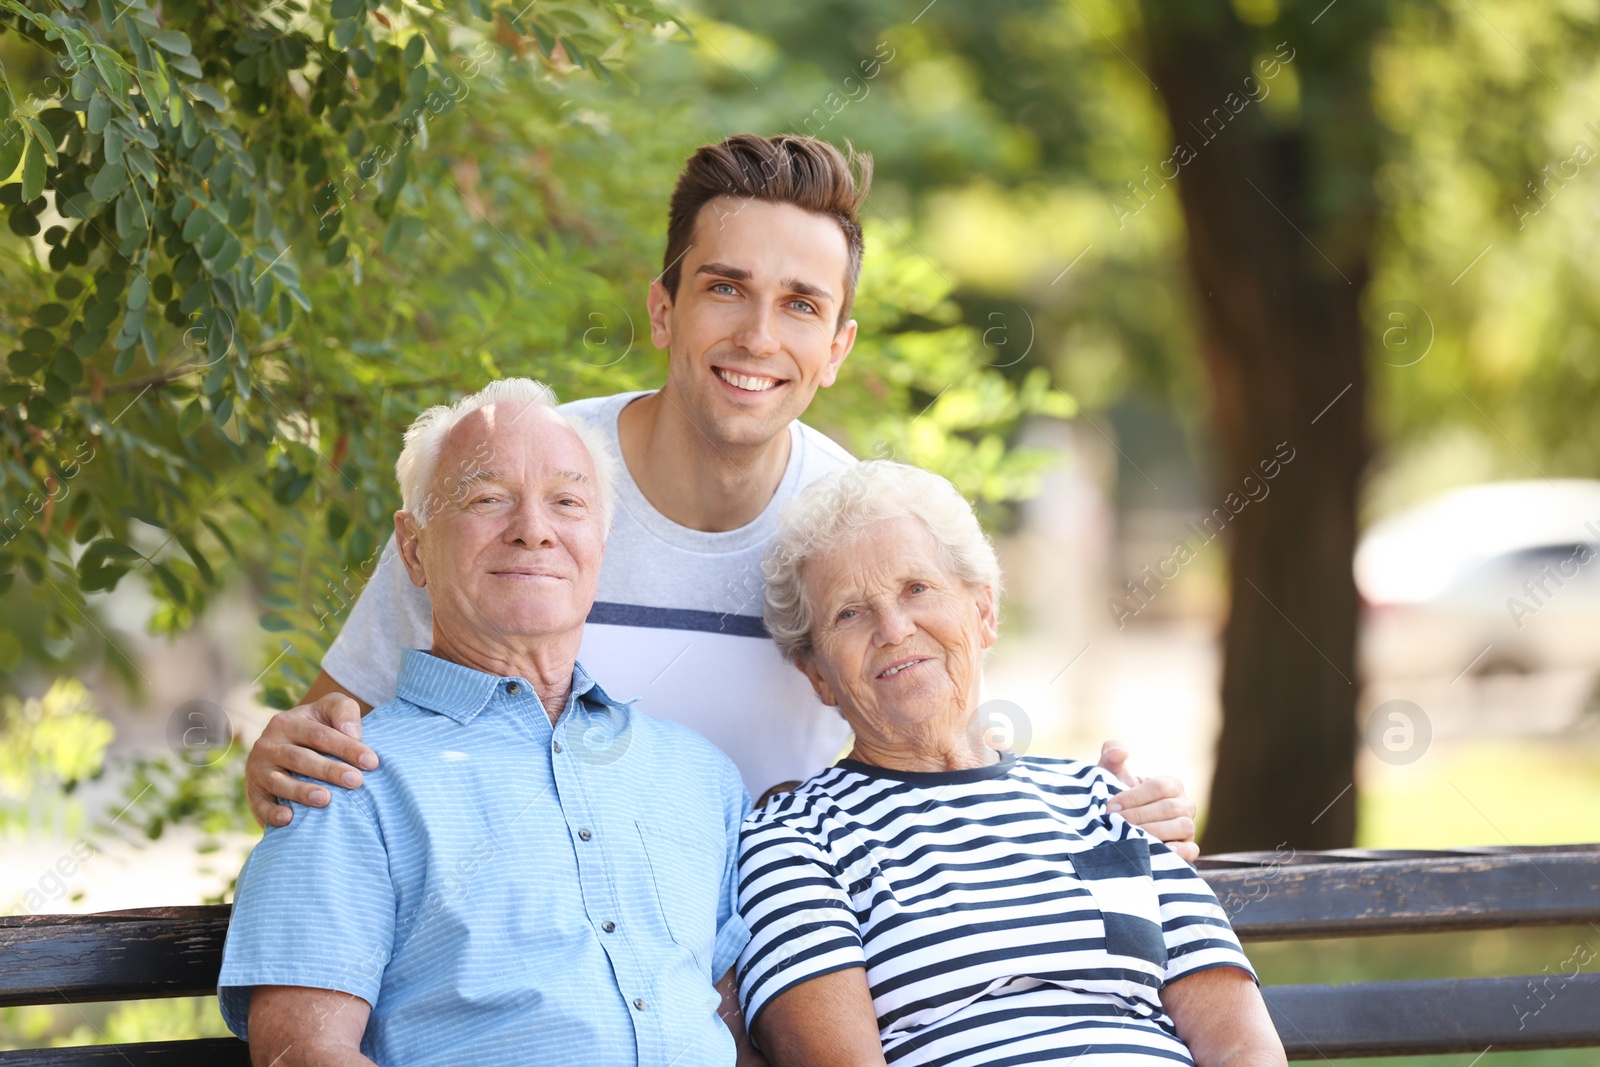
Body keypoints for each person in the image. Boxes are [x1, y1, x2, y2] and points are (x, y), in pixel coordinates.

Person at [242, 133, 1200, 856]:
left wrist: (1108, 810)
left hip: (780, 971)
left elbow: (936, 747)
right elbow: (329, 742)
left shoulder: (850, 535)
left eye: (801, 305)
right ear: (664, 309)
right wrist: (282, 753)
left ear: (838, 349)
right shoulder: (524, 485)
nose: (757, 336)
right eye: (725, 288)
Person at [219, 380, 756, 1067]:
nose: (533, 528)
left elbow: (737, 1039)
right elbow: (301, 1053)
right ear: (412, 548)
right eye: (487, 498)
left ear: (601, 542)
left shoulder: (700, 778)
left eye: (567, 501)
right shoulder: (340, 778)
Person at [736, 461, 1285, 1067]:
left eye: (917, 589)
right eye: (849, 613)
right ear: (817, 674)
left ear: (984, 613)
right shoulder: (795, 839)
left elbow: (1240, 1045)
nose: (894, 629)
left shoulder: (1101, 800)